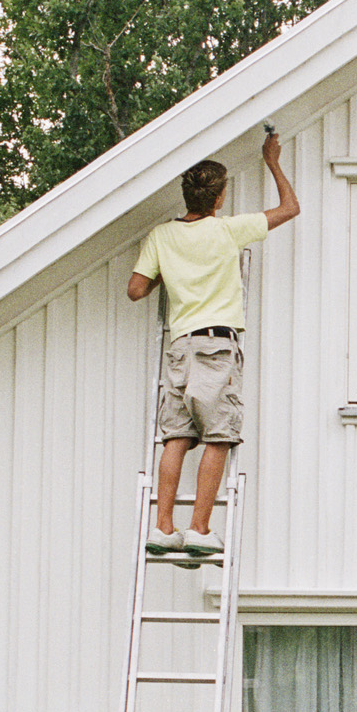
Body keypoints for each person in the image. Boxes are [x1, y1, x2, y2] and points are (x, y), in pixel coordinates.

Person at [126, 130, 300, 559]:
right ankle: (199, 528)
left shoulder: (162, 236)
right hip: (216, 346)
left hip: (181, 346)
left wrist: (169, 270)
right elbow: (290, 209)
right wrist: (272, 161)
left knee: (178, 437)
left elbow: (135, 290)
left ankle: (163, 527)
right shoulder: (228, 230)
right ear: (219, 198)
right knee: (220, 434)